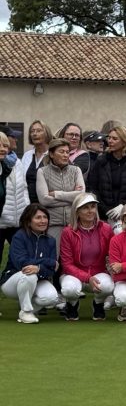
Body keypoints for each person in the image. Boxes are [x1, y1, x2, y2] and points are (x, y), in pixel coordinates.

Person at [59, 193, 114, 321]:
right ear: (77, 211)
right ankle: (72, 304)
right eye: (85, 208)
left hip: (99, 272)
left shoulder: (106, 228)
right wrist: (87, 277)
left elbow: (112, 254)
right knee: (69, 289)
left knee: (107, 286)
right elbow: (66, 264)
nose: (90, 211)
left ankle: (98, 303)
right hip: (73, 274)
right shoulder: (68, 232)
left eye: (93, 207)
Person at [0, 203, 59, 323]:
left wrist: (39, 268)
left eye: (45, 217)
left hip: (37, 279)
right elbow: (22, 263)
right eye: (38, 217)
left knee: (52, 298)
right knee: (29, 274)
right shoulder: (19, 237)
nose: (43, 221)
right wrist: (48, 262)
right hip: (12, 281)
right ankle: (26, 312)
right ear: (28, 221)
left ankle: (25, 311)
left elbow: (52, 270)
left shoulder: (51, 241)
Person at [87, 125, 126, 223]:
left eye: (115, 139)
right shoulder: (101, 161)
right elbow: (93, 188)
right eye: (109, 138)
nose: (110, 141)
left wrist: (124, 205)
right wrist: (105, 210)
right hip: (104, 215)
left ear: (124, 141)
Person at [36, 137, 86, 250]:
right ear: (52, 154)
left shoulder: (76, 170)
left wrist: (56, 194)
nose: (65, 155)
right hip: (53, 224)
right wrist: (71, 198)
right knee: (53, 259)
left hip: (73, 224)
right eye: (61, 151)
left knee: (74, 258)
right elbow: (44, 200)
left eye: (67, 152)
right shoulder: (42, 172)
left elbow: (81, 196)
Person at [1, 131, 29, 262]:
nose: (3, 149)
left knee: (21, 258)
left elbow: (24, 188)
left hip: (17, 220)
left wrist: (26, 211)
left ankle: (12, 281)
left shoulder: (17, 161)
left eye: (5, 146)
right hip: (1, 220)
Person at [21, 120, 52, 204]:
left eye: (39, 131)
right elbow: (22, 182)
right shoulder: (26, 155)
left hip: (49, 205)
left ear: (46, 133)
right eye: (32, 131)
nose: (34, 134)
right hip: (28, 204)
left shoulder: (53, 155)